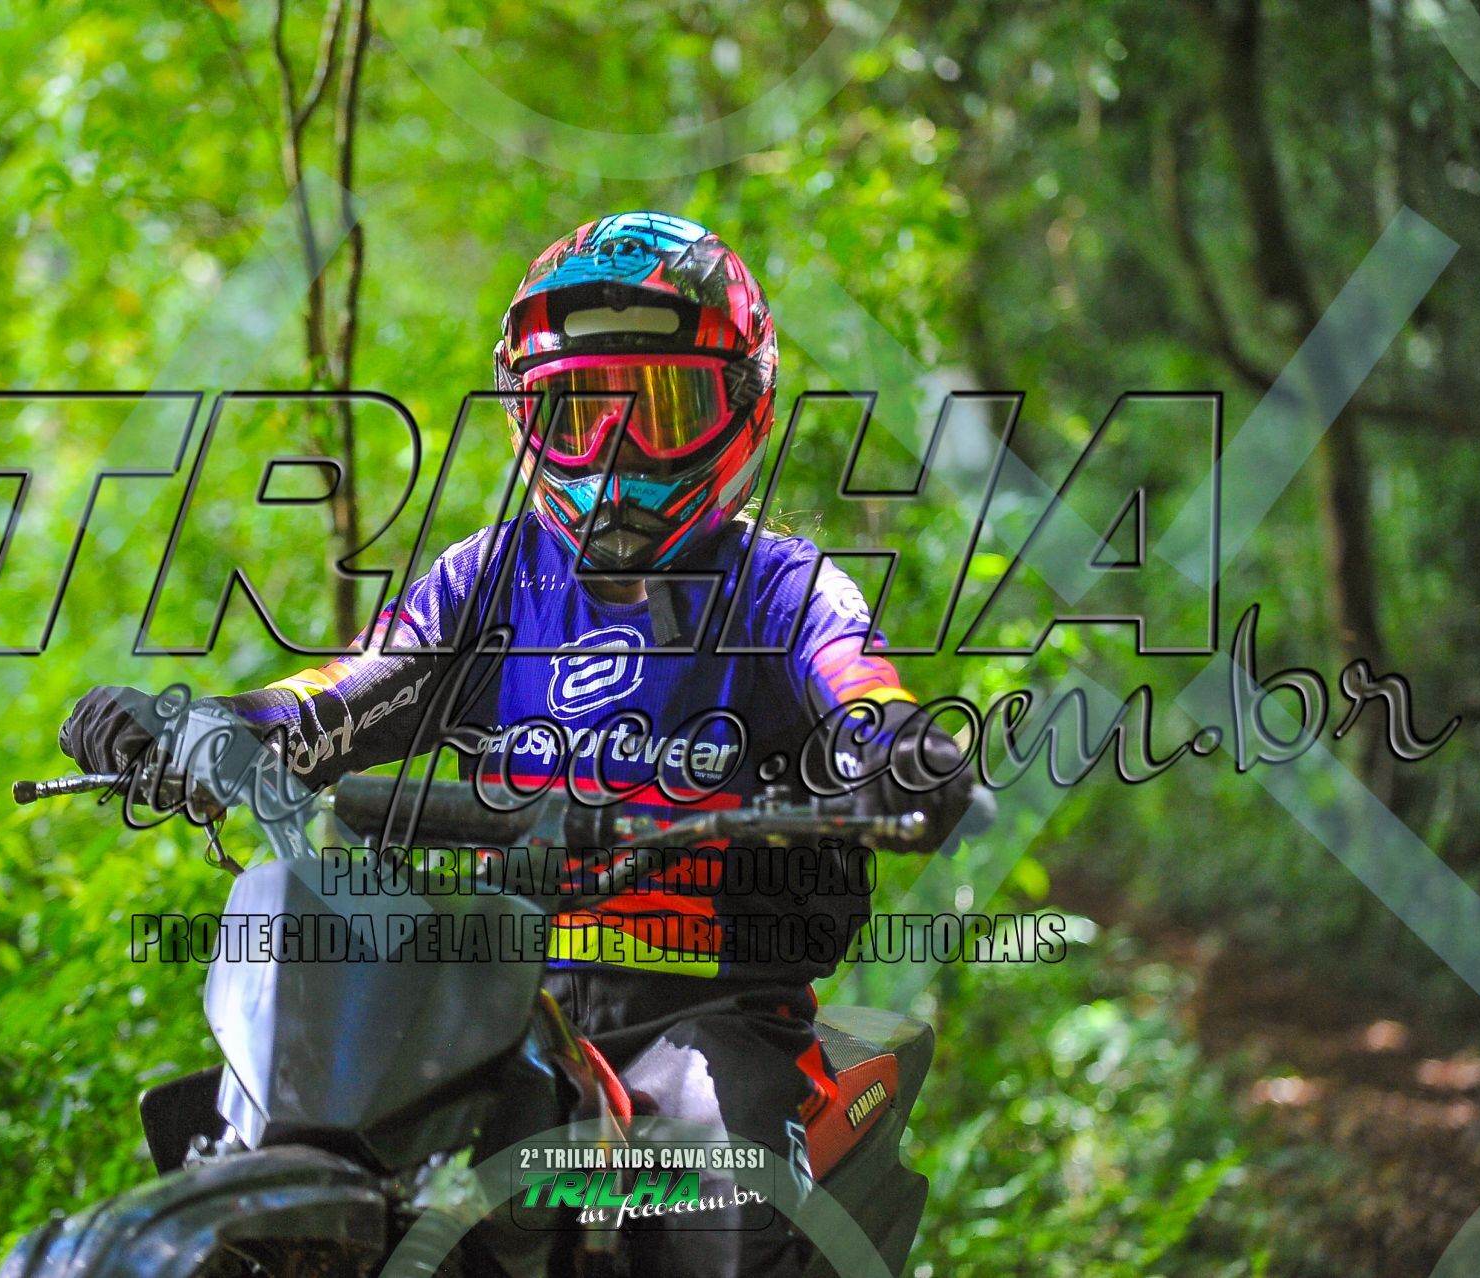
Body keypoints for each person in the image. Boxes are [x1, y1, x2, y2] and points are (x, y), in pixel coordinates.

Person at [60, 210, 978, 1276]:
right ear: (524, 416)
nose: (616, 449)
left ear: (742, 406)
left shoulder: (783, 586)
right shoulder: (486, 580)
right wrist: (208, 723)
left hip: (707, 1007)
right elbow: (349, 686)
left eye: (662, 409)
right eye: (577, 412)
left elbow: (857, 682)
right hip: (490, 1001)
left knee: (718, 1215)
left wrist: (898, 749)